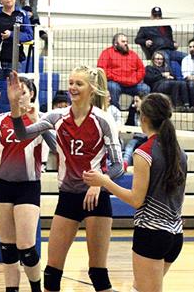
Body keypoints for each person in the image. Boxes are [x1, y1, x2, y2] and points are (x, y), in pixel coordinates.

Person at [7, 66, 124, 292]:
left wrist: (100, 182)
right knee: (51, 273)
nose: (72, 87)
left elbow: (118, 165)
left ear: (92, 89)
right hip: (68, 197)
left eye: (78, 84)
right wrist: (14, 106)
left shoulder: (103, 120)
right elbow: (22, 135)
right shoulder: (56, 117)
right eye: (70, 82)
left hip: (96, 200)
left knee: (98, 274)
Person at [83, 93, 187, 292]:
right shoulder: (179, 152)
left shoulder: (144, 152)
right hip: (175, 235)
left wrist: (104, 181)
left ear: (144, 118)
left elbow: (136, 200)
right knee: (138, 288)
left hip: (151, 233)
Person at [0, 77, 54, 292]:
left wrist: (34, 117)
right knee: (8, 248)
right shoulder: (1, 119)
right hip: (2, 185)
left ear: (32, 96)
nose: (19, 96)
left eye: (23, 92)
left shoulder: (41, 120)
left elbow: (54, 147)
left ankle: (36, 288)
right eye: (15, 91)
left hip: (28, 186)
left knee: (26, 248)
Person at [97, 33, 149, 109]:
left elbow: (141, 70)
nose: (126, 43)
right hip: (116, 83)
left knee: (145, 88)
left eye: (126, 41)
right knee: (112, 86)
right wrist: (117, 78)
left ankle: (134, 109)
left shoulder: (133, 54)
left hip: (132, 84)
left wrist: (134, 79)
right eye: (123, 41)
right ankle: (116, 111)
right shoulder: (107, 53)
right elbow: (102, 70)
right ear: (115, 43)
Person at [122, 93, 147, 168]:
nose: (134, 104)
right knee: (130, 145)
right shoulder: (134, 112)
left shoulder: (149, 114)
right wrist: (131, 113)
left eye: (137, 101)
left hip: (148, 137)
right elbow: (128, 130)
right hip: (137, 138)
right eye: (133, 102)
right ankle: (125, 164)